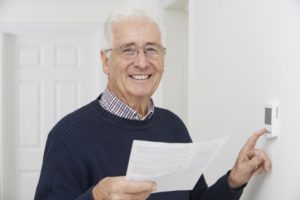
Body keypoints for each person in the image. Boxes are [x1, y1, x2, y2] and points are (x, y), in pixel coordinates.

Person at [34, 8, 271, 200]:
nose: (142, 62)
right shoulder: (68, 134)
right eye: (128, 50)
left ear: (163, 58)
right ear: (106, 62)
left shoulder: (173, 125)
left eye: (151, 49)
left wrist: (234, 181)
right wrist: (96, 197)